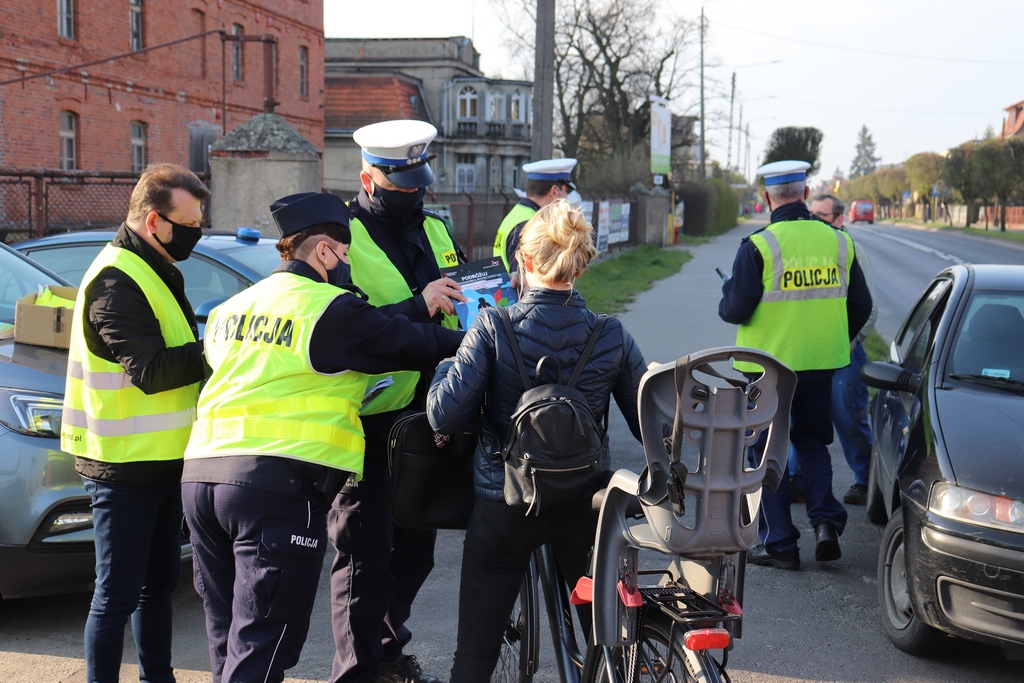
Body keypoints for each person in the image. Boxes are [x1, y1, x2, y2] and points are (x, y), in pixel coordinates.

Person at [180, 192, 464, 683]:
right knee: (263, 647)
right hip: (274, 486)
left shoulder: (233, 308)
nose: (348, 267)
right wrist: (493, 340)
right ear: (326, 251)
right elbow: (413, 342)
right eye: (347, 256)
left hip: (201, 479)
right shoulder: (326, 308)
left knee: (228, 642)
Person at [428, 199, 648, 682]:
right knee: (609, 642)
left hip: (504, 503)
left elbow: (445, 413)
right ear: (582, 264)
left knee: (475, 653)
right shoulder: (610, 334)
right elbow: (646, 422)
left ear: (523, 263)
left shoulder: (492, 326)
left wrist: (446, 369)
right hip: (584, 501)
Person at [60, 163, 210, 683]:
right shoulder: (114, 280)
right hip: (120, 466)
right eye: (189, 223)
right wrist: (216, 348)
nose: (197, 232)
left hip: (163, 460)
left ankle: (157, 678)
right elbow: (149, 370)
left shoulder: (154, 265)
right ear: (153, 221)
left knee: (157, 585)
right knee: (116, 593)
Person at [330, 119, 468, 683]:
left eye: (419, 184)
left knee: (415, 552)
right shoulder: (341, 238)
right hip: (365, 421)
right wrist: (419, 305)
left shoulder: (435, 230)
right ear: (368, 177)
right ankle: (357, 672)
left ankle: (387, 651)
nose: (414, 195)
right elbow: (342, 330)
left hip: (429, 415)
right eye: (401, 185)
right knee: (365, 560)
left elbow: (463, 302)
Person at [719, 160, 872, 571]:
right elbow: (861, 305)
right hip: (821, 366)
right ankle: (825, 525)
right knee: (811, 442)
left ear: (768, 198)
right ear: (805, 194)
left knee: (767, 451)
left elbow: (734, 310)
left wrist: (727, 293)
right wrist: (832, 338)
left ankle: (781, 544)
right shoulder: (838, 242)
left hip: (767, 368)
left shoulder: (759, 246)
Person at [807, 194, 878, 506]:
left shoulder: (850, 249)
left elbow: (869, 308)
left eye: (820, 216)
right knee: (802, 420)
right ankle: (798, 481)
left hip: (845, 353)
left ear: (838, 219)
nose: (813, 221)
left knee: (848, 418)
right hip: (809, 353)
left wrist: (847, 343)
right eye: (811, 214)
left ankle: (867, 480)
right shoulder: (807, 249)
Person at [493, 158, 578, 286]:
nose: (566, 197)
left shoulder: (518, 213)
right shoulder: (530, 225)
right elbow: (523, 281)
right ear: (554, 191)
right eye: (565, 191)